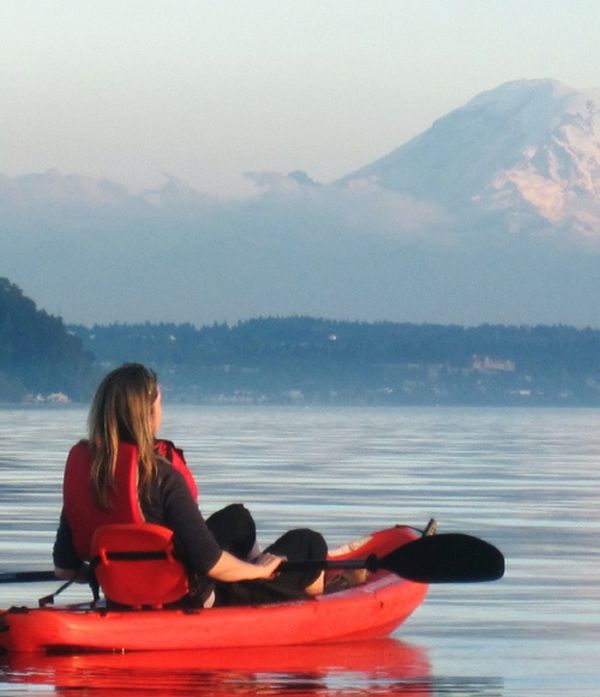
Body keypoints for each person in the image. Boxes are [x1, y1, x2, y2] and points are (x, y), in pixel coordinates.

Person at [53, 363, 327, 607]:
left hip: (120, 596)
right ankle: (312, 604)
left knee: (237, 519)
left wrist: (110, 575)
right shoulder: (162, 476)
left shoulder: (87, 474)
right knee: (310, 543)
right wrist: (259, 571)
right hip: (187, 597)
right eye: (160, 403)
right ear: (147, 414)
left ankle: (258, 577)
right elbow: (211, 563)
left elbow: (65, 569)